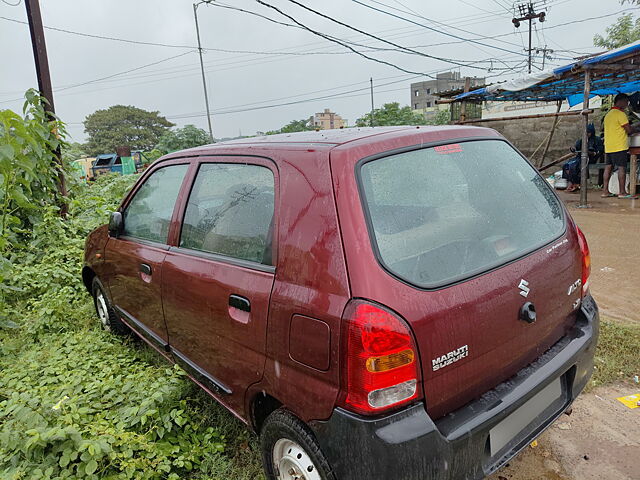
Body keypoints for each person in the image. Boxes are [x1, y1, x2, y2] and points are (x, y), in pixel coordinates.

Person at [602, 93, 640, 198]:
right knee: (621, 168)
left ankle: (605, 191)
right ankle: (622, 192)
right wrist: (636, 129)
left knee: (608, 168)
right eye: (626, 102)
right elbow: (628, 131)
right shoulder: (620, 114)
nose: (627, 105)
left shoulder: (609, 114)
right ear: (621, 101)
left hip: (609, 146)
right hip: (619, 145)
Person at [564, 123, 603, 192]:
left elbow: (600, 151)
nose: (587, 134)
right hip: (580, 157)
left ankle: (576, 183)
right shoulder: (582, 140)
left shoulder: (597, 140)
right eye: (586, 132)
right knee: (567, 165)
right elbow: (576, 148)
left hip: (590, 158)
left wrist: (592, 153)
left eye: (589, 132)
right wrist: (573, 149)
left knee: (577, 165)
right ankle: (571, 183)